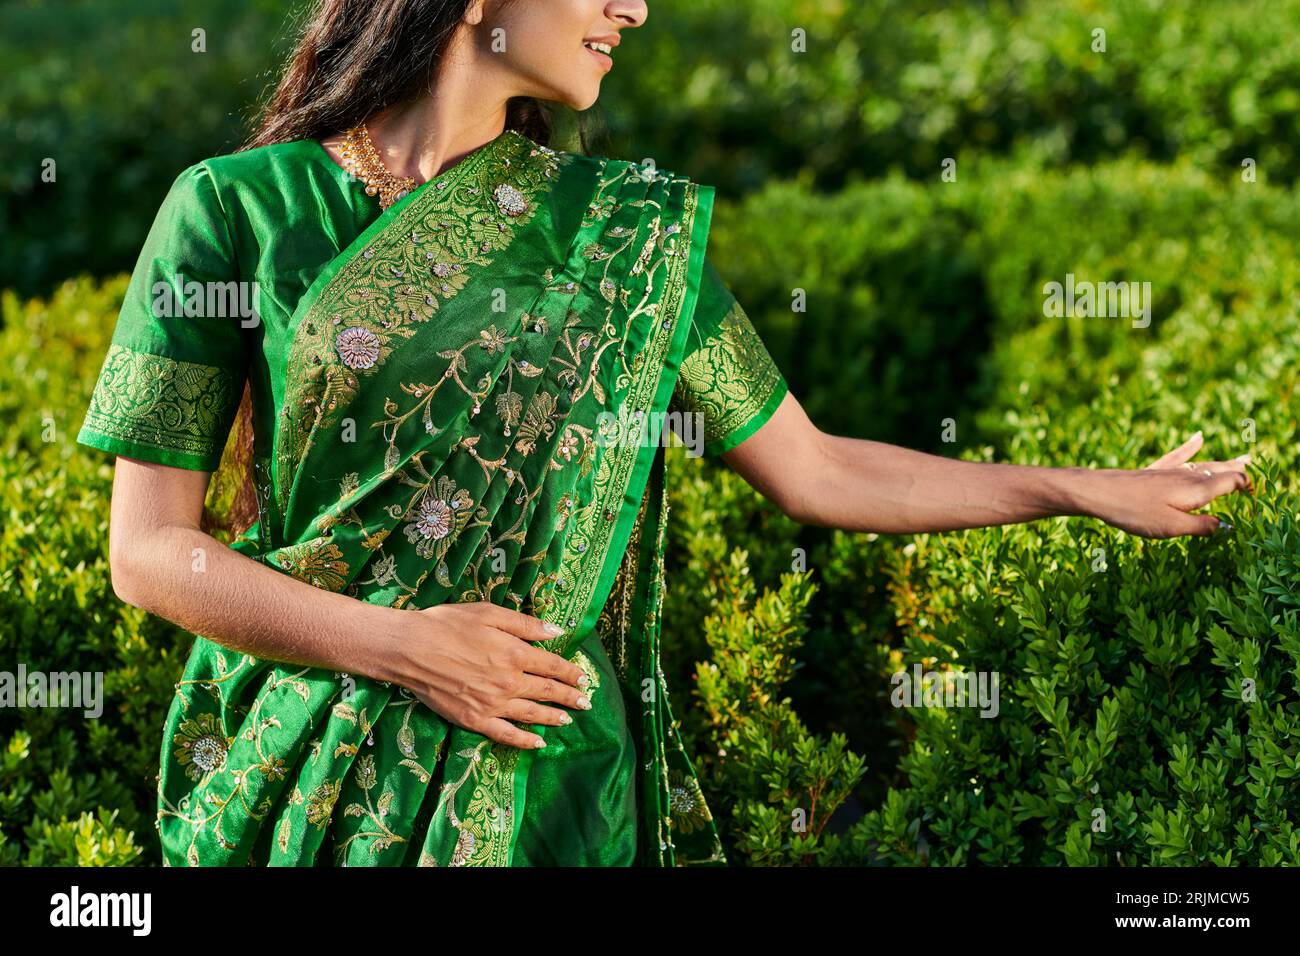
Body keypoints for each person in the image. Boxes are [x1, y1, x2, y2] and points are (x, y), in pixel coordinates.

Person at [76, 0, 1252, 867]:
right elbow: (149, 553)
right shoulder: (235, 209)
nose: (631, 9)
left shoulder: (624, 235)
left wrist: (1076, 486)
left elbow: (817, 465)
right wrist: (399, 645)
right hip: (309, 760)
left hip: (548, 771)